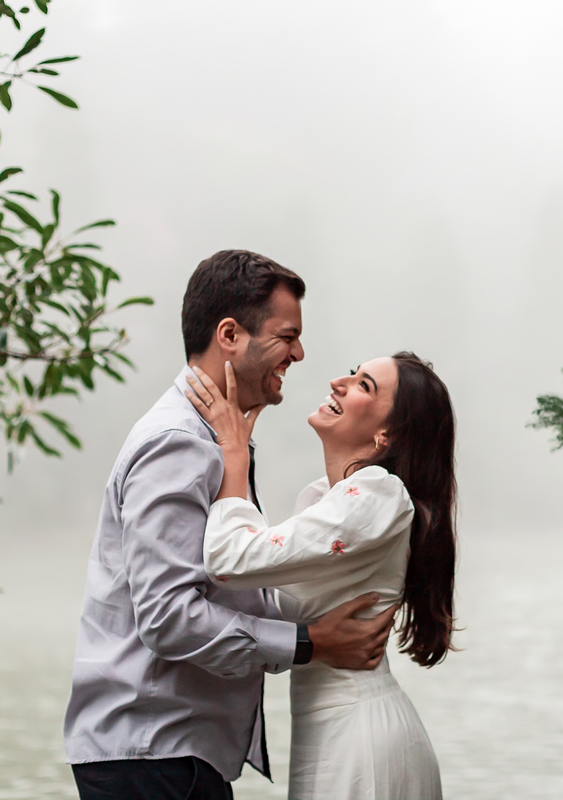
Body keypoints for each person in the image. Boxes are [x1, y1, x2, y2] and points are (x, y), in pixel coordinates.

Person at [63, 250, 395, 800]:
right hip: (153, 757)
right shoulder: (180, 443)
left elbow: (227, 583)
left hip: (168, 756)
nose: (300, 353)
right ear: (230, 335)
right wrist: (309, 643)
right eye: (287, 336)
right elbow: (167, 616)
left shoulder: (214, 438)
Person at [183, 350, 457, 800]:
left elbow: (230, 559)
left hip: (360, 736)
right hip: (328, 727)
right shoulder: (325, 499)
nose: (338, 382)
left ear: (387, 434)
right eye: (353, 374)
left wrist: (234, 455)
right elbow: (260, 592)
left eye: (364, 385)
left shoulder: (377, 495)